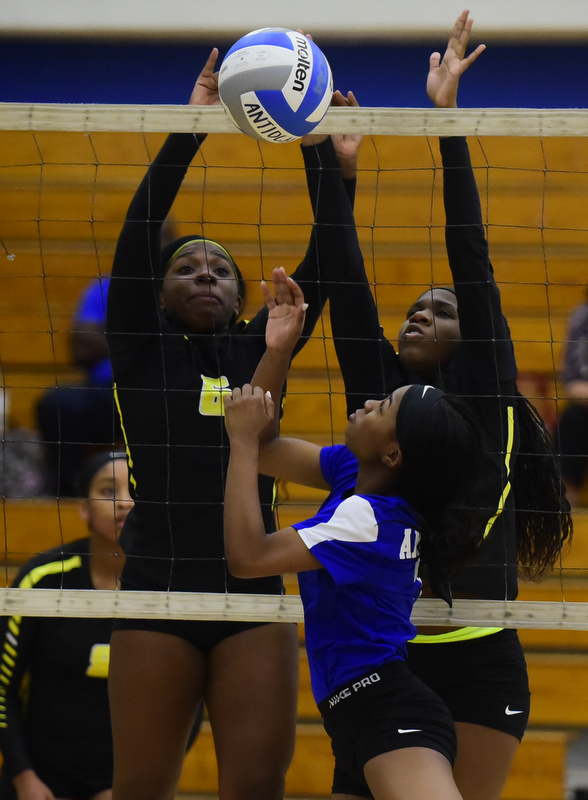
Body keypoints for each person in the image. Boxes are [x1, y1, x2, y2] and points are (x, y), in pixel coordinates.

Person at [300, 11, 572, 800]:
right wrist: (330, 164)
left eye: (441, 311)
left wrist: (445, 123)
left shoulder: (487, 399)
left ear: (472, 335)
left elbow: (471, 255)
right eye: (414, 308)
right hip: (386, 655)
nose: (421, 313)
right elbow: (347, 291)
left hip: (482, 657)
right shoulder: (383, 409)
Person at [105, 47, 360, 800]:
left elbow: (335, 262)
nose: (206, 274)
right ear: (158, 294)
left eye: (220, 268)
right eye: (188, 267)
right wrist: (189, 128)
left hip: (252, 594)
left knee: (256, 786)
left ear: (242, 293)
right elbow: (136, 230)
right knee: (141, 787)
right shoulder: (140, 346)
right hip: (159, 588)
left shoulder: (261, 339)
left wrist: (331, 164)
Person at [222, 285, 484, 799]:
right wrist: (277, 352)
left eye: (381, 407)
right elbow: (270, 446)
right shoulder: (354, 478)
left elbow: (248, 557)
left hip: (387, 710)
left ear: (392, 456)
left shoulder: (367, 518)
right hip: (357, 712)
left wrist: (241, 441)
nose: (365, 403)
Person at [0, 451, 131, 800]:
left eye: (136, 490)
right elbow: (1, 689)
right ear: (83, 507)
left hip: (126, 783)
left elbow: (189, 702)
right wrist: (23, 778)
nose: (125, 503)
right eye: (108, 491)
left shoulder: (171, 587)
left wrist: (132, 787)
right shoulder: (42, 579)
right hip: (39, 779)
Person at [36, 277, 121, 497]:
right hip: (107, 393)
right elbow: (82, 347)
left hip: (166, 391)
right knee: (57, 403)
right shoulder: (107, 287)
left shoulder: (184, 289)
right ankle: (69, 495)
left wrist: (110, 332)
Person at [555, 286, 588, 506]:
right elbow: (574, 386)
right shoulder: (582, 319)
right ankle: (566, 505)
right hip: (585, 406)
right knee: (573, 419)